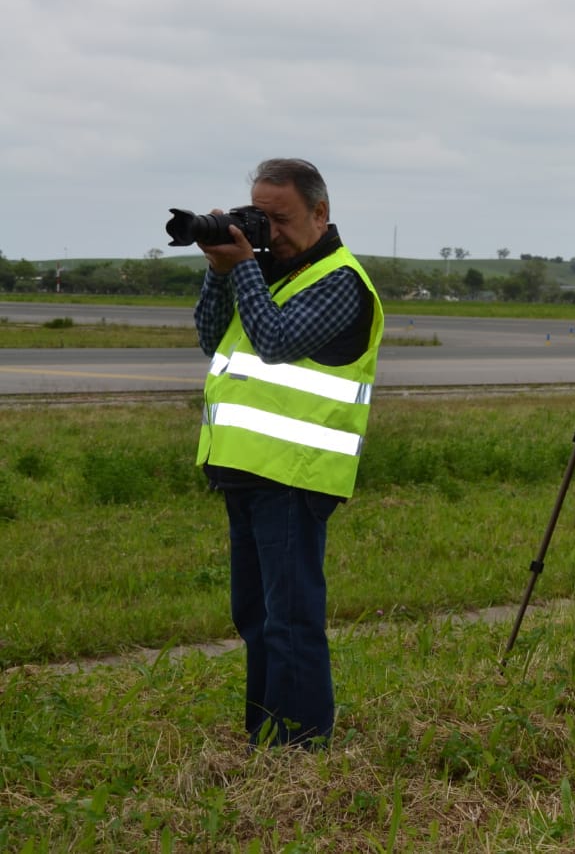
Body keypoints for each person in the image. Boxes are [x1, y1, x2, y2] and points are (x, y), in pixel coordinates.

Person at [192, 158, 384, 747]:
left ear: (320, 213)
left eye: (279, 218)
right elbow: (210, 336)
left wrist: (246, 266)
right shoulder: (268, 271)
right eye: (258, 216)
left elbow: (274, 342)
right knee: (255, 616)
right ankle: (265, 736)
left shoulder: (340, 280)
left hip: (296, 473)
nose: (267, 231)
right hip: (246, 467)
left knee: (291, 619)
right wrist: (221, 271)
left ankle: (301, 746)